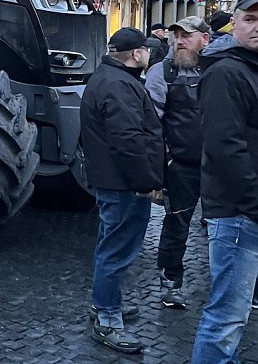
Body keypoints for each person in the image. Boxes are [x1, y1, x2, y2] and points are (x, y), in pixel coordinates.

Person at [80, 27, 165, 354]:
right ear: (136, 54)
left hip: (111, 180)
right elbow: (129, 140)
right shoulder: (120, 85)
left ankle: (105, 303)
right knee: (116, 250)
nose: (149, 54)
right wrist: (145, 182)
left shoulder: (105, 77)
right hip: (124, 184)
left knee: (109, 244)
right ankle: (107, 320)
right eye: (147, 50)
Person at [191, 0, 258, 363]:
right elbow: (225, 147)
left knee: (235, 316)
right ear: (235, 25)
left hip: (246, 209)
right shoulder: (226, 72)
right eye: (249, 19)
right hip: (238, 213)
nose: (257, 26)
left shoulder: (249, 67)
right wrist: (254, 203)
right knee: (226, 319)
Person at [145, 16, 210, 309]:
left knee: (228, 227)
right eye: (177, 36)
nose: (180, 41)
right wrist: (163, 163)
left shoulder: (217, 70)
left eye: (187, 35)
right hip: (181, 166)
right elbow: (151, 123)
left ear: (204, 39)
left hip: (218, 166)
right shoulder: (163, 72)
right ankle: (171, 283)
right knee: (176, 225)